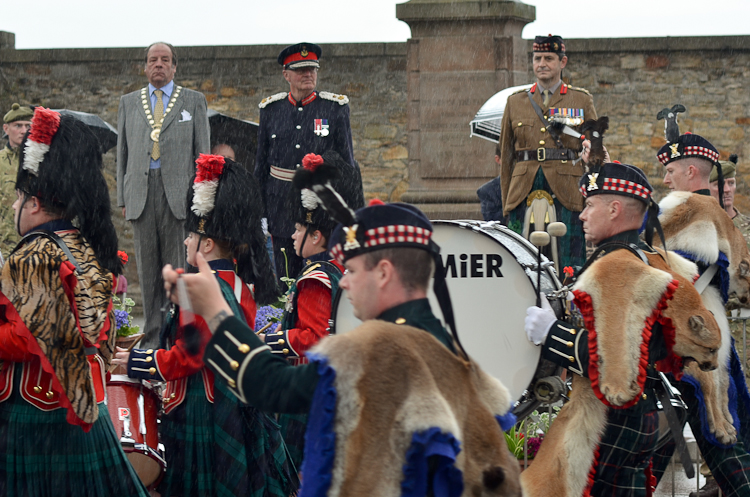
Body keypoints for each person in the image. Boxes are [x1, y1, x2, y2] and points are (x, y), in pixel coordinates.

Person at [162, 200, 521, 496]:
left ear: (383, 273)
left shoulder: (378, 347)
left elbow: (273, 388)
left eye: (351, 270)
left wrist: (217, 315)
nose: (344, 282)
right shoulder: (447, 346)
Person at [112, 153, 292, 497]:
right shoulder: (241, 285)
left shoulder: (198, 288)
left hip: (203, 408)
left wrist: (137, 363)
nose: (184, 242)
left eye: (190, 237)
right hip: (235, 402)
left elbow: (191, 354)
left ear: (206, 244)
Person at [0, 108, 147, 496]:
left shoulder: (36, 253)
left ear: (33, 204)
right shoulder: (85, 247)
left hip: (38, 412)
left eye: (18, 201)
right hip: (82, 406)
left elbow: (24, 338)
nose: (13, 209)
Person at [524, 161, 674, 496]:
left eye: (590, 205)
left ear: (615, 208)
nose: (582, 215)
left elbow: (613, 361)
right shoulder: (640, 257)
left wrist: (552, 335)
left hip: (613, 415)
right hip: (636, 411)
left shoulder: (617, 267)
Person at [653, 132, 750, 497]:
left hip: (684, 332)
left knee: (690, 423)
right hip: (714, 329)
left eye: (671, 170)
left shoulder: (682, 205)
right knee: (718, 418)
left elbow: (650, 258)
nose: (665, 179)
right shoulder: (723, 218)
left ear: (691, 170)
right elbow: (744, 283)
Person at [263, 150, 361, 471]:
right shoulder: (338, 267)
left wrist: (271, 342)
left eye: (297, 228)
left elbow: (315, 338)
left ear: (316, 235)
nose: (291, 235)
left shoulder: (315, 276)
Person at [117, 41, 210, 347]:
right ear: (145, 66)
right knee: (147, 268)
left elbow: (203, 153)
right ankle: (153, 336)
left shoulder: (193, 101)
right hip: (140, 192)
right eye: (152, 60)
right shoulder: (129, 102)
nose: (158, 64)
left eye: (164, 60)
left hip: (179, 193)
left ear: (174, 67)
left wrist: (203, 197)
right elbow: (123, 153)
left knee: (177, 266)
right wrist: (122, 197)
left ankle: (178, 334)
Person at [254, 42, 360, 287]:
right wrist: (260, 212)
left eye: (312, 69)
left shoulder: (334, 108)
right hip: (280, 204)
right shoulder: (271, 109)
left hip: (321, 206)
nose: (308, 74)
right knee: (285, 276)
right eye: (301, 70)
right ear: (286, 75)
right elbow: (261, 164)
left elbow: (347, 163)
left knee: (321, 273)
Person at [499, 34, 597, 270]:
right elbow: (506, 157)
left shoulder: (581, 100)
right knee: (520, 256)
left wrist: (593, 199)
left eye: (548, 58)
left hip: (567, 188)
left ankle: (570, 303)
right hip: (523, 188)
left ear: (562, 62)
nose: (541, 63)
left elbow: (595, 151)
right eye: (537, 58)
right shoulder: (515, 101)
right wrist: (507, 201)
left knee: (569, 258)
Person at [0, 103, 33, 257]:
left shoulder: (40, 161)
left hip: (33, 242)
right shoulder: (0, 161)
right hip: (4, 243)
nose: (23, 131)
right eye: (17, 125)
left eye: (28, 125)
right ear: (6, 129)